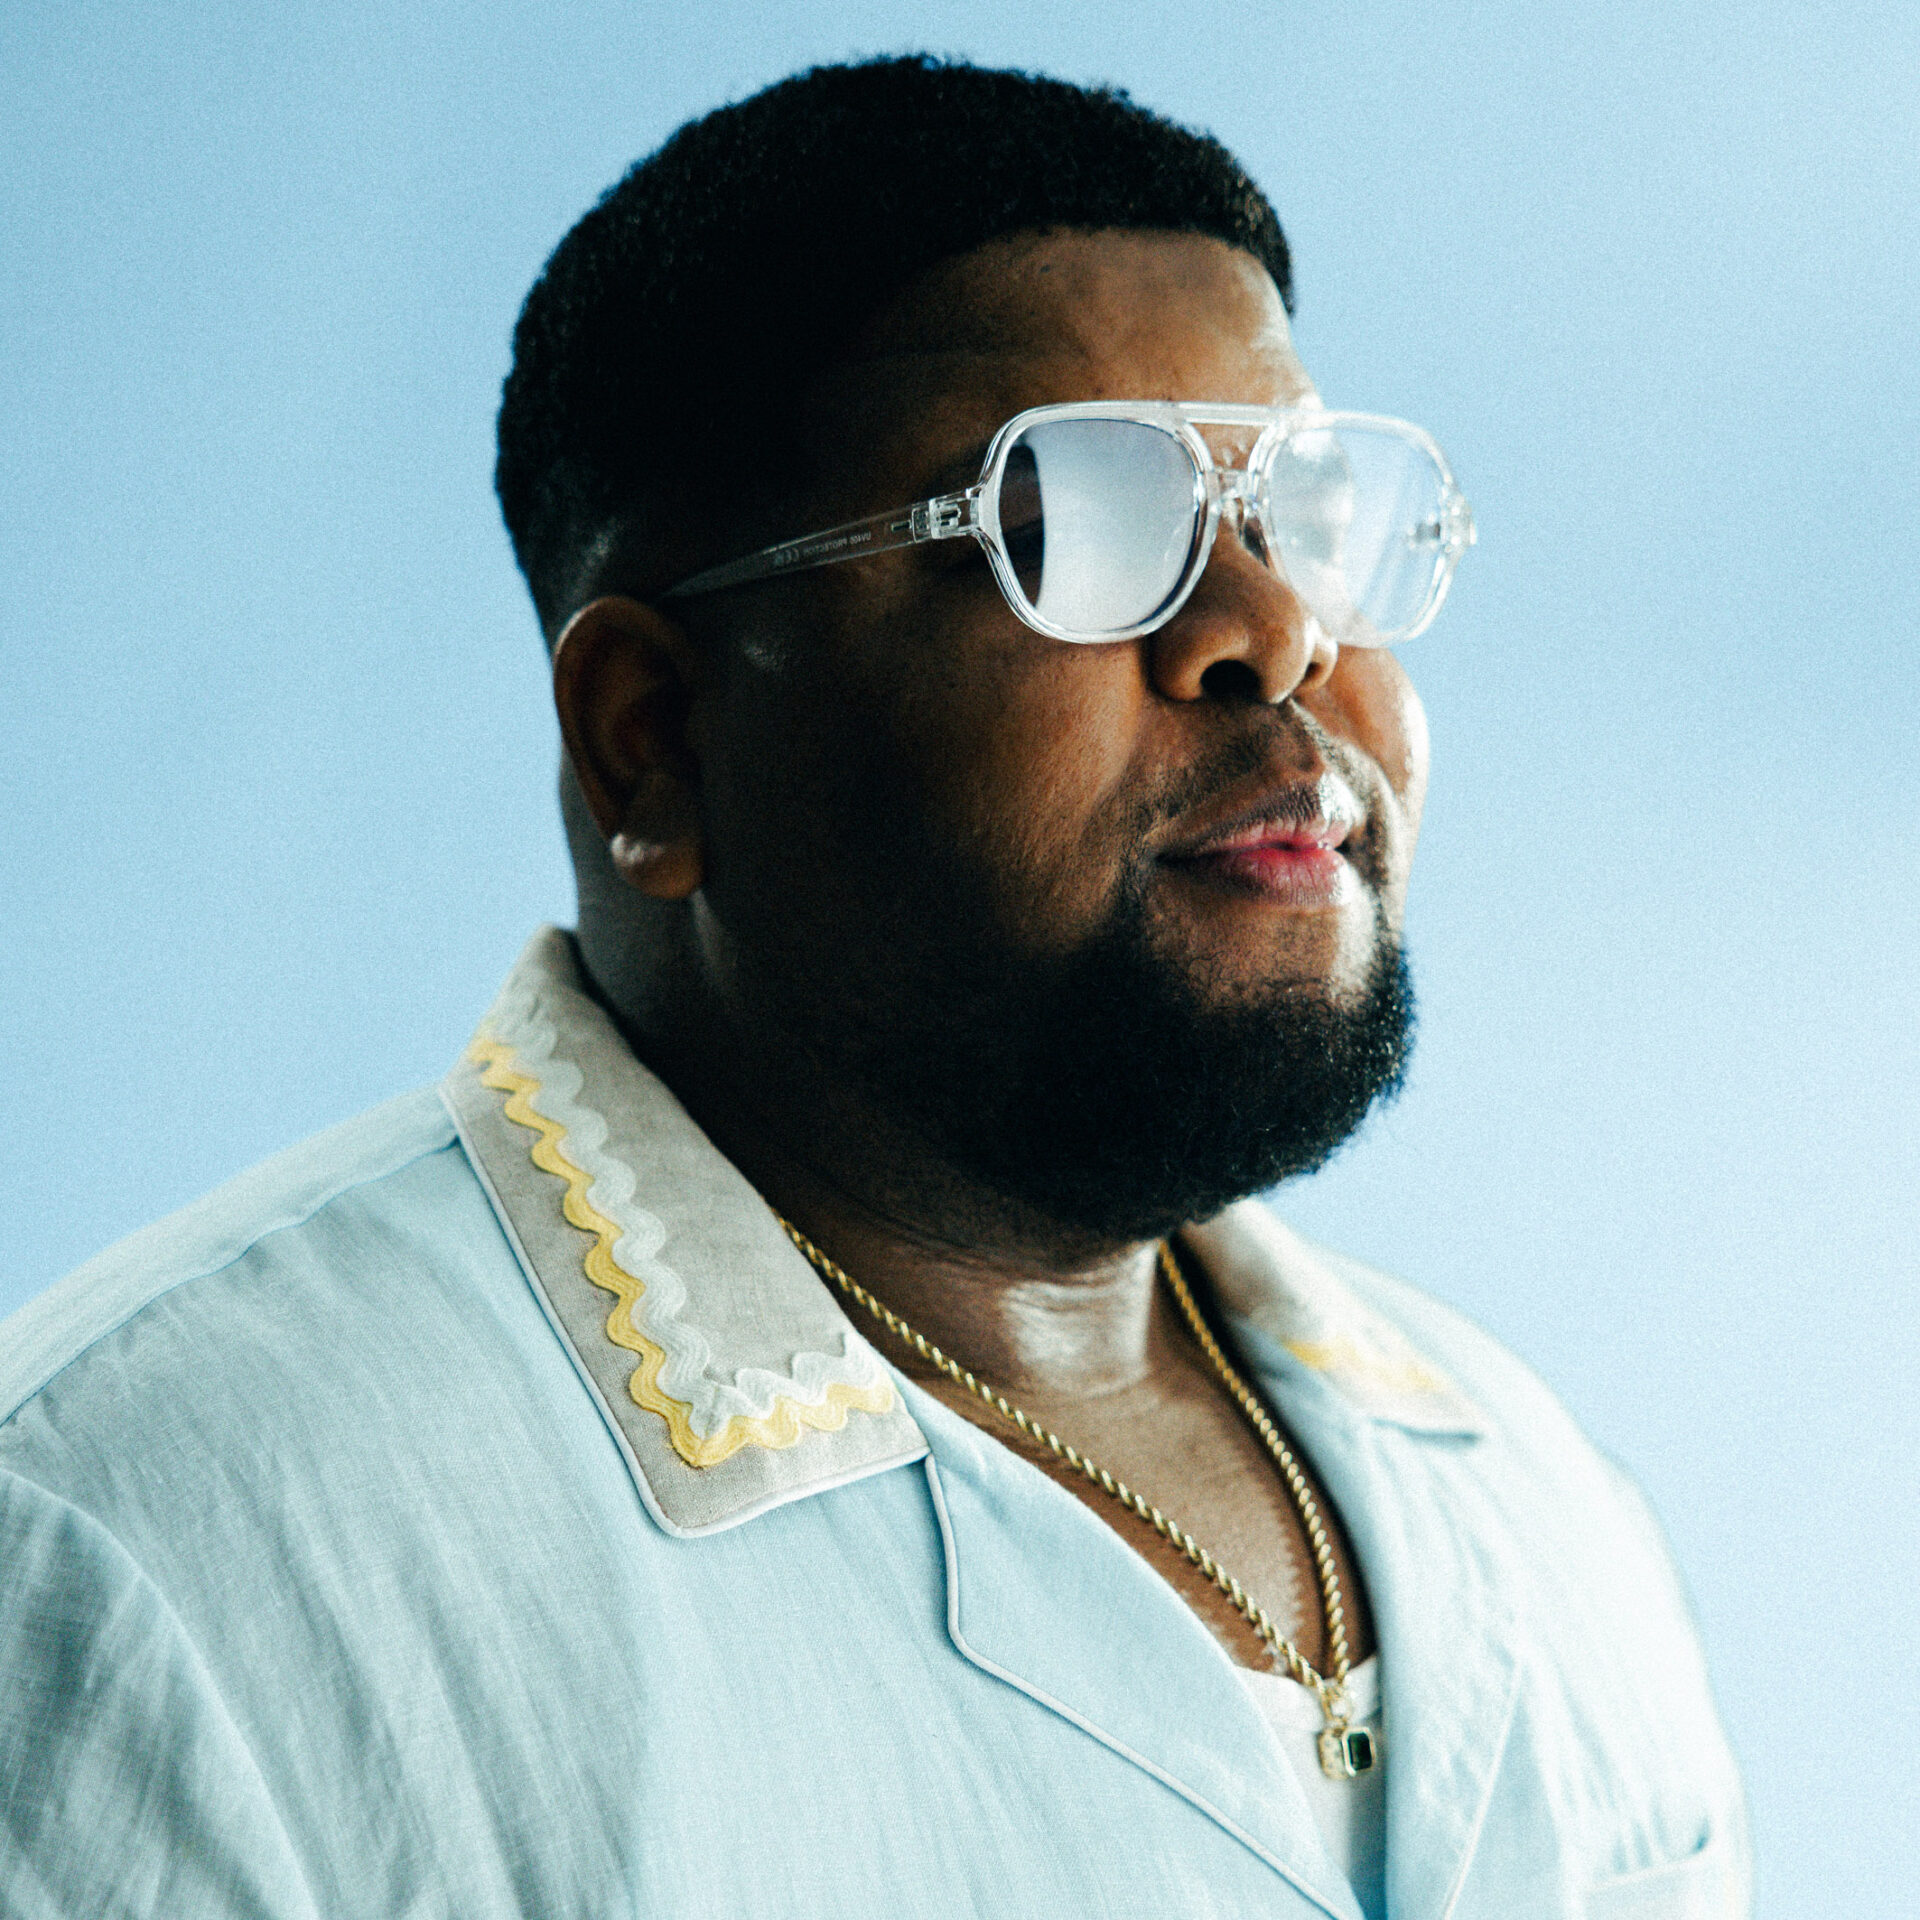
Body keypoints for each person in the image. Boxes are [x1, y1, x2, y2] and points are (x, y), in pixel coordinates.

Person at [0, 56, 1748, 1920]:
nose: (1273, 630)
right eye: (1069, 525)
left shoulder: (1534, 1497)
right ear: (653, 739)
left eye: (1308, 517)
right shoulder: (149, 1561)